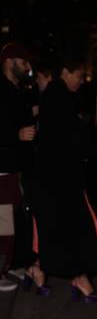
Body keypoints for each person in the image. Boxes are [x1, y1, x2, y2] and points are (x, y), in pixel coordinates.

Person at [32, 57, 97, 301]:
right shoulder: (58, 97)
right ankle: (76, 277)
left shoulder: (59, 95)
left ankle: (53, 272)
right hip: (60, 179)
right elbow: (69, 140)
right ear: (64, 71)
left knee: (63, 228)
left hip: (59, 177)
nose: (80, 80)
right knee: (73, 228)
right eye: (77, 74)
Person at [0, 42, 35, 292]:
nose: (27, 68)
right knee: (3, 222)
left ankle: (9, 263)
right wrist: (17, 134)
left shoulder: (16, 90)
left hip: (13, 167)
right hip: (1, 169)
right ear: (10, 61)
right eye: (23, 63)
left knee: (11, 220)